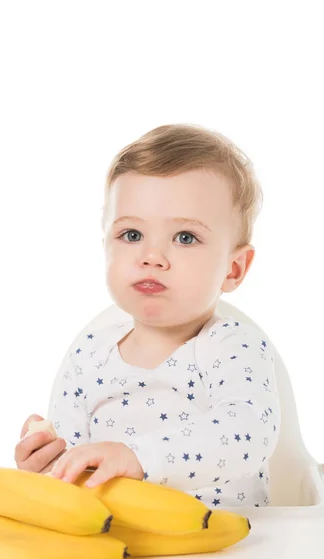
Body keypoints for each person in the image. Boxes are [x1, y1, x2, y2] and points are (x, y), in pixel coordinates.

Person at [14, 123, 280, 509]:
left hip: (225, 550)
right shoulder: (88, 356)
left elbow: (247, 434)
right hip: (115, 548)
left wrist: (138, 457)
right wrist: (47, 465)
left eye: (185, 237)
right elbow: (73, 474)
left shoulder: (234, 347)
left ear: (233, 269)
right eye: (132, 235)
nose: (151, 256)